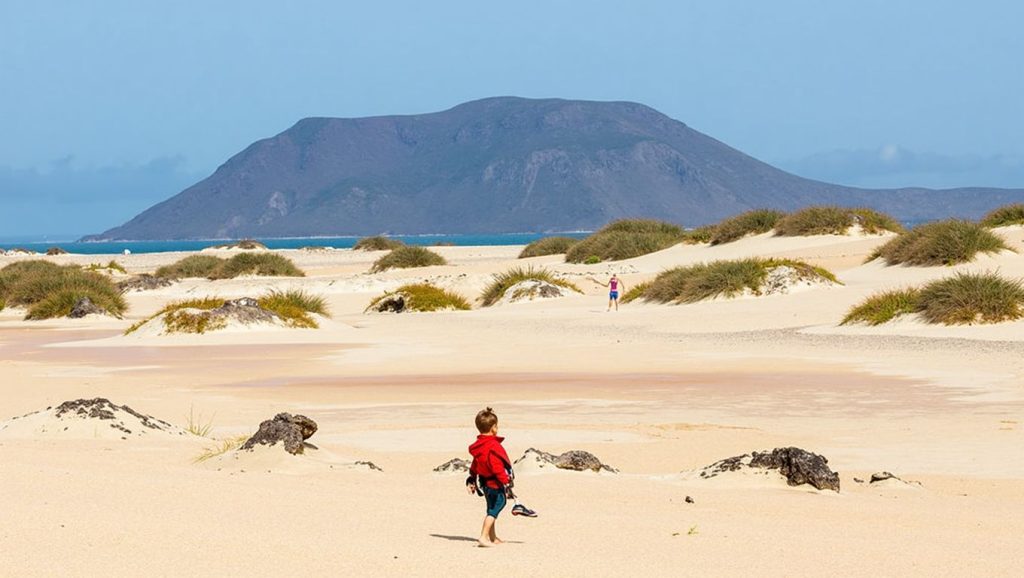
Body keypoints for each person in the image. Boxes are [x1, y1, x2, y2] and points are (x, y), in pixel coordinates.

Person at [466, 407, 514, 547]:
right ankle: (483, 537)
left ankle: (493, 537)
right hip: (495, 483)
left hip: (485, 484)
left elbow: (475, 464)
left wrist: (472, 476)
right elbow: (496, 466)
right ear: (493, 428)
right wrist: (506, 482)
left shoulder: (479, 447)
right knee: (496, 508)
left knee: (490, 508)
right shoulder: (492, 446)